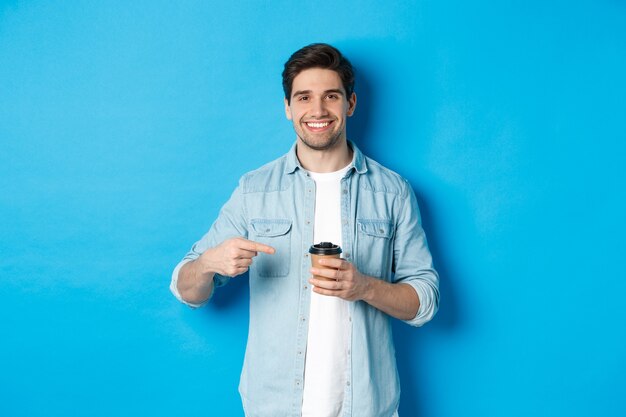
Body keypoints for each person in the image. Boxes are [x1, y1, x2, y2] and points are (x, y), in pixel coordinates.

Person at [170, 43, 439, 417]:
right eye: (303, 97)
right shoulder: (255, 190)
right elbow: (186, 291)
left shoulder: (392, 191)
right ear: (287, 108)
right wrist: (207, 264)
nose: (317, 110)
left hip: (367, 407)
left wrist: (364, 287)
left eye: (331, 96)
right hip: (273, 406)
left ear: (351, 104)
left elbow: (425, 301)